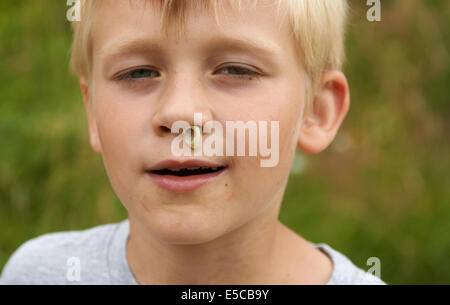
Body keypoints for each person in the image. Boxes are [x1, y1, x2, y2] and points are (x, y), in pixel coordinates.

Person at [0, 0, 385, 285]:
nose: (180, 114)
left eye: (236, 70)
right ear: (92, 112)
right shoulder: (38, 274)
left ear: (316, 110)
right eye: (138, 73)